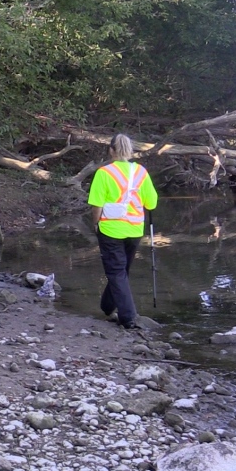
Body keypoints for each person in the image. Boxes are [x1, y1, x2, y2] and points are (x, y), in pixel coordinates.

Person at [88, 133, 158, 330]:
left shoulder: (104, 173)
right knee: (121, 270)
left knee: (117, 271)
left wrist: (96, 224)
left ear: (111, 150)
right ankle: (108, 305)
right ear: (130, 151)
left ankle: (128, 317)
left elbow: (97, 205)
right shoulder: (141, 172)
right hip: (135, 229)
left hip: (110, 229)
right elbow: (151, 203)